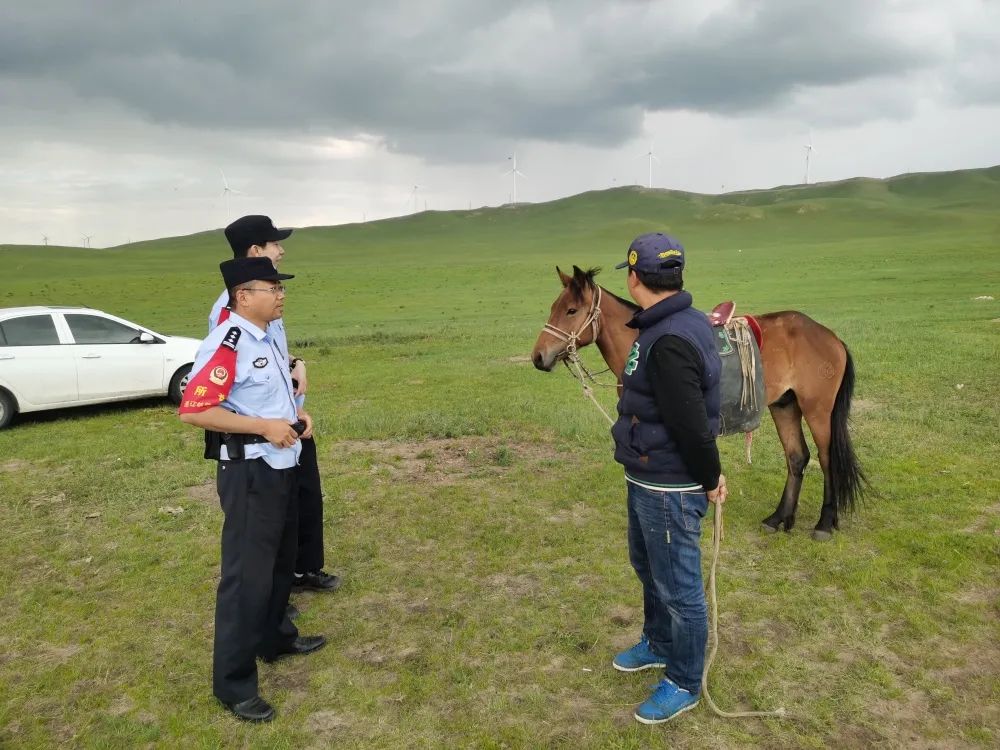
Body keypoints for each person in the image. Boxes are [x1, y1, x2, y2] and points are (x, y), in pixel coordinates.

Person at [179, 256, 326, 722]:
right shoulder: (229, 342)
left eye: (281, 288)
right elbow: (195, 410)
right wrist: (263, 426)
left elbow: (270, 396)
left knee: (281, 563)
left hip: (282, 465)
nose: (281, 295)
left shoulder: (266, 339)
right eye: (272, 288)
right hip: (250, 476)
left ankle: (274, 639)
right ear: (243, 296)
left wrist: (295, 419)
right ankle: (234, 685)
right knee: (246, 579)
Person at [608, 232, 729, 725]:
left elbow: (691, 425)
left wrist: (710, 478)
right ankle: (659, 643)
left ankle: (683, 679)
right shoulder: (665, 325)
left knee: (680, 588)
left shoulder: (671, 340)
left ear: (634, 278)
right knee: (647, 566)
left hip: (671, 487)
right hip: (647, 474)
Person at [212, 215, 341, 599]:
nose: (282, 250)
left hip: (291, 420)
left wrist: (295, 363)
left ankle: (301, 570)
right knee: (270, 521)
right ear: (256, 251)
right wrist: (266, 425)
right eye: (275, 244)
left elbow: (268, 354)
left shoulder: (269, 296)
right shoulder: (233, 309)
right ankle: (273, 600)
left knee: (304, 499)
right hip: (264, 437)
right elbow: (234, 369)